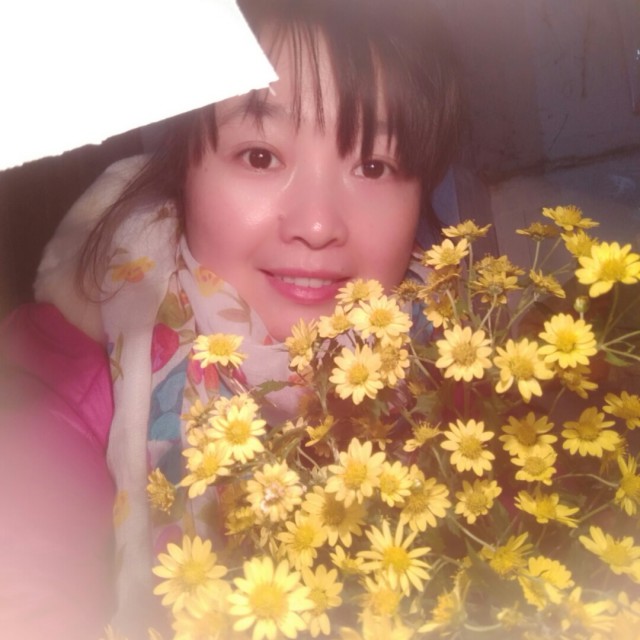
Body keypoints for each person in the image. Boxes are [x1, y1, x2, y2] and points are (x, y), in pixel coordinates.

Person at [0, 0, 462, 637]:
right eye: (260, 157)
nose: (317, 224)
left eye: (374, 166)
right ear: (182, 171)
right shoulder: (58, 396)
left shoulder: (467, 381)